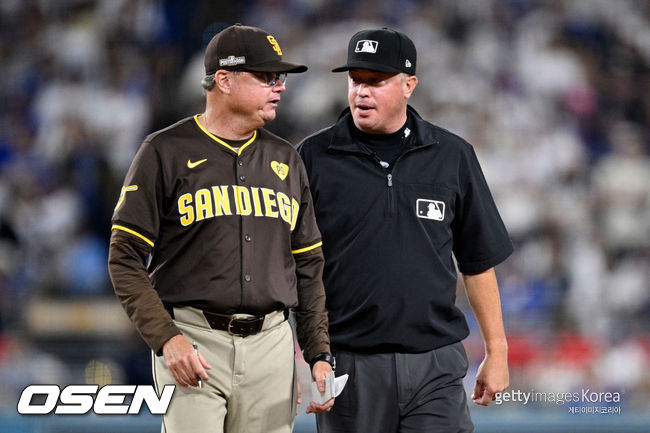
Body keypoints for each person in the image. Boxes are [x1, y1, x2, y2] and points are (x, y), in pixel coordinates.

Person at [108, 24, 334, 433]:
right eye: (266, 76)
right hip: (194, 338)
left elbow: (309, 267)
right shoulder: (165, 151)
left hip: (272, 342)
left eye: (279, 77)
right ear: (224, 80)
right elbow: (124, 258)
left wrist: (318, 353)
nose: (279, 87)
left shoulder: (287, 159)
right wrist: (166, 338)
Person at [297, 28, 514, 433]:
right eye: (355, 80)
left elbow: (478, 260)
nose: (362, 91)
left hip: (435, 362)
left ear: (408, 85)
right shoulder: (312, 157)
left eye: (375, 81)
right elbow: (291, 263)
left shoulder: (451, 155)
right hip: (349, 364)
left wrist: (497, 350)